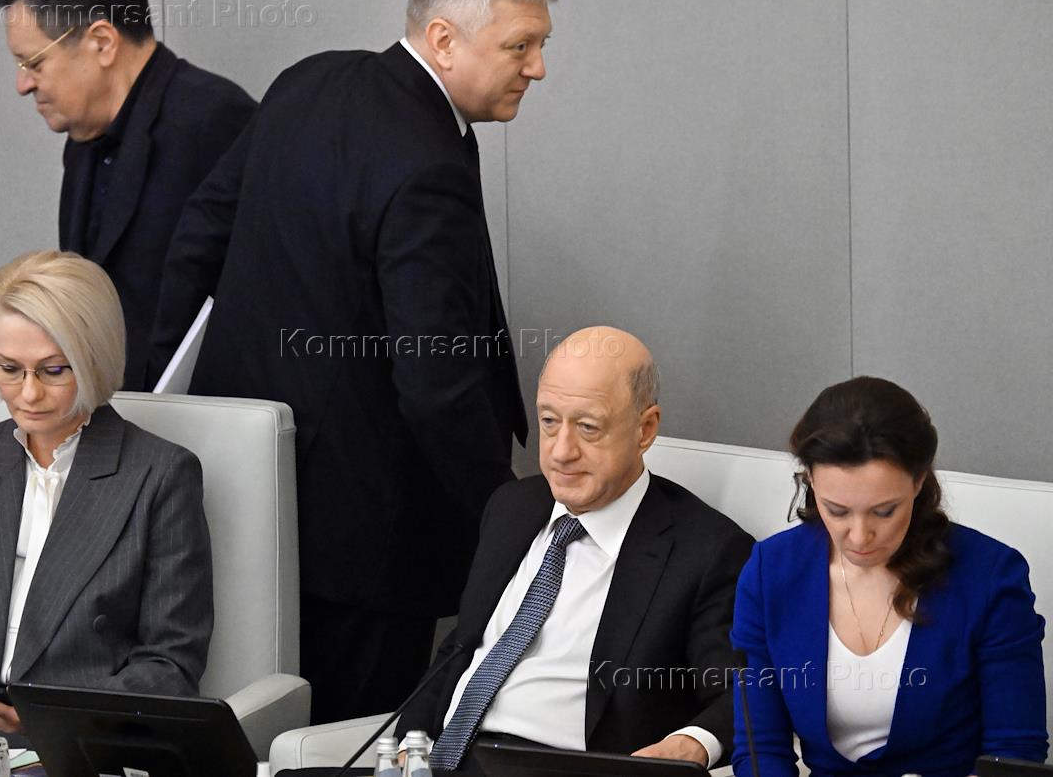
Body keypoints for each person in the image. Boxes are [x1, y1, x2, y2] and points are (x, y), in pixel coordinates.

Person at [149, 0, 555, 722]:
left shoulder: (308, 81)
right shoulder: (427, 160)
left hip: (249, 497)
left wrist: (169, 404)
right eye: (520, 45)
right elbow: (436, 382)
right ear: (444, 38)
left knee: (264, 730)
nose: (537, 67)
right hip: (376, 535)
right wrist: (506, 516)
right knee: (353, 743)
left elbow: (199, 233)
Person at [396, 327, 754, 773]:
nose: (561, 452)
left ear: (645, 429)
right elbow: (461, 648)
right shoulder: (511, 507)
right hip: (443, 761)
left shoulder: (706, 551)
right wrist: (408, 747)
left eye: (588, 428)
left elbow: (742, 692)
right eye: (549, 422)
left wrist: (691, 744)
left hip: (557, 765)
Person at [0, 250, 213, 736]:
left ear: (94, 358)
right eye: (8, 368)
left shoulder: (161, 474)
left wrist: (47, 722)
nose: (28, 394)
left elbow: (171, 662)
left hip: (81, 742)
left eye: (54, 370)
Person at [731, 377, 1047, 777]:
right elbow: (760, 747)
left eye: (884, 511)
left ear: (919, 481)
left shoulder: (989, 576)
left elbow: (1015, 752)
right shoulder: (771, 571)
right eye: (837, 511)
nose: (859, 536)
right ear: (810, 479)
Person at [0, 0, 256, 390]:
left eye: (33, 63)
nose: (23, 85)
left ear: (102, 42)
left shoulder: (215, 120)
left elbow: (245, 297)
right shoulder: (84, 132)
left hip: (199, 417)